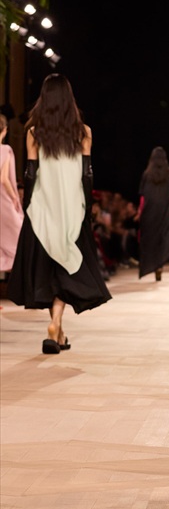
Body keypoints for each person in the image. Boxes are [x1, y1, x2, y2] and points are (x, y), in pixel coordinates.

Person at [8, 74, 111, 352]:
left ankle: (56, 328)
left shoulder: (34, 132)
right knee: (65, 267)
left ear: (44, 99)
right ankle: (56, 327)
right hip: (72, 209)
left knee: (48, 269)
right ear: (69, 99)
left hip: (43, 208)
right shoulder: (84, 132)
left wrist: (29, 207)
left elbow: (30, 173)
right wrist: (87, 207)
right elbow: (87, 174)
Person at [138, 147, 169, 281]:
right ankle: (159, 266)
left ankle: (152, 266)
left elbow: (142, 196)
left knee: (150, 240)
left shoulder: (147, 174)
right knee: (163, 238)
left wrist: (140, 211)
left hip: (149, 211)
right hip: (164, 210)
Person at [0, 114, 24, 275]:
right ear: (5, 130)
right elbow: (3, 178)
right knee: (19, 236)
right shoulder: (5, 150)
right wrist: (14, 197)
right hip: (3, 200)